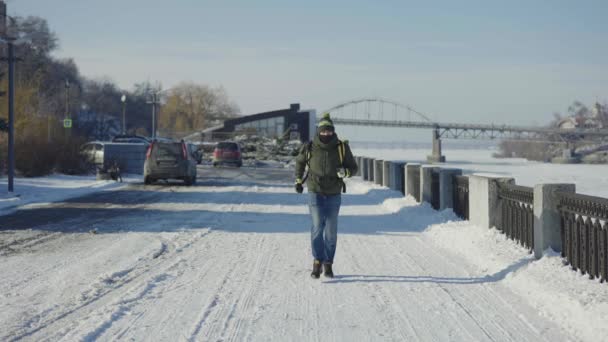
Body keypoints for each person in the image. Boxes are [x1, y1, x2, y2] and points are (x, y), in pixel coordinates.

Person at [294, 113, 358, 278]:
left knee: (330, 230)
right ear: (318, 131)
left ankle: (328, 263)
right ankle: (317, 261)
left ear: (333, 132)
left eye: (329, 131)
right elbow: (300, 162)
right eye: (323, 131)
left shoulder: (341, 147)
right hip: (315, 190)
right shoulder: (309, 147)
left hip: (334, 193)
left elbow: (354, 168)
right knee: (317, 227)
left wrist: (346, 172)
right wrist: (298, 180)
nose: (326, 134)